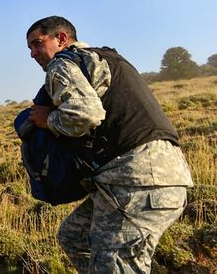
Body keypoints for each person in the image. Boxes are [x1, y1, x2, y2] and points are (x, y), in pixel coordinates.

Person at [26, 15, 193, 273]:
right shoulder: (109, 58)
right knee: (74, 236)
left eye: (37, 43)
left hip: (134, 182)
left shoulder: (63, 63)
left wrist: (47, 119)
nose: (33, 53)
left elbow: (85, 114)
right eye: (30, 48)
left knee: (114, 263)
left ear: (61, 39)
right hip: (165, 177)